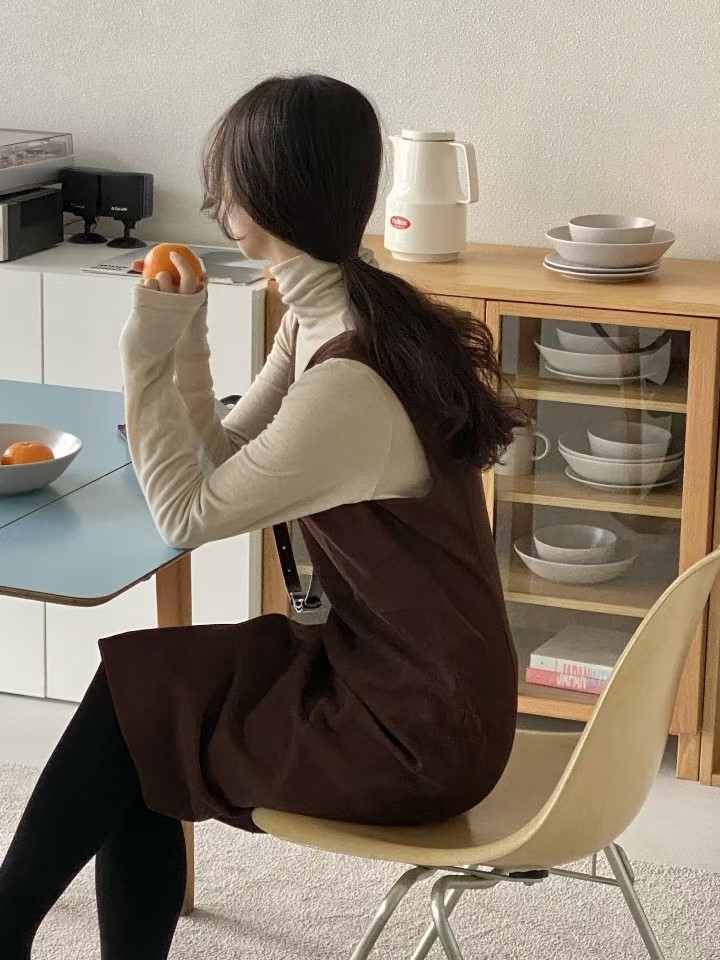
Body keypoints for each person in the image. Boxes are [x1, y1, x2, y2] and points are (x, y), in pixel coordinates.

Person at [0, 74, 522, 959]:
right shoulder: (336, 314)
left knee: (141, 718)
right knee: (144, 702)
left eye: (228, 181)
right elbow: (223, 451)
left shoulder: (349, 378)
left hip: (416, 729)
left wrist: (141, 351)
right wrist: (188, 334)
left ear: (277, 190)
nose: (216, 201)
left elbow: (184, 514)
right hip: (403, 675)